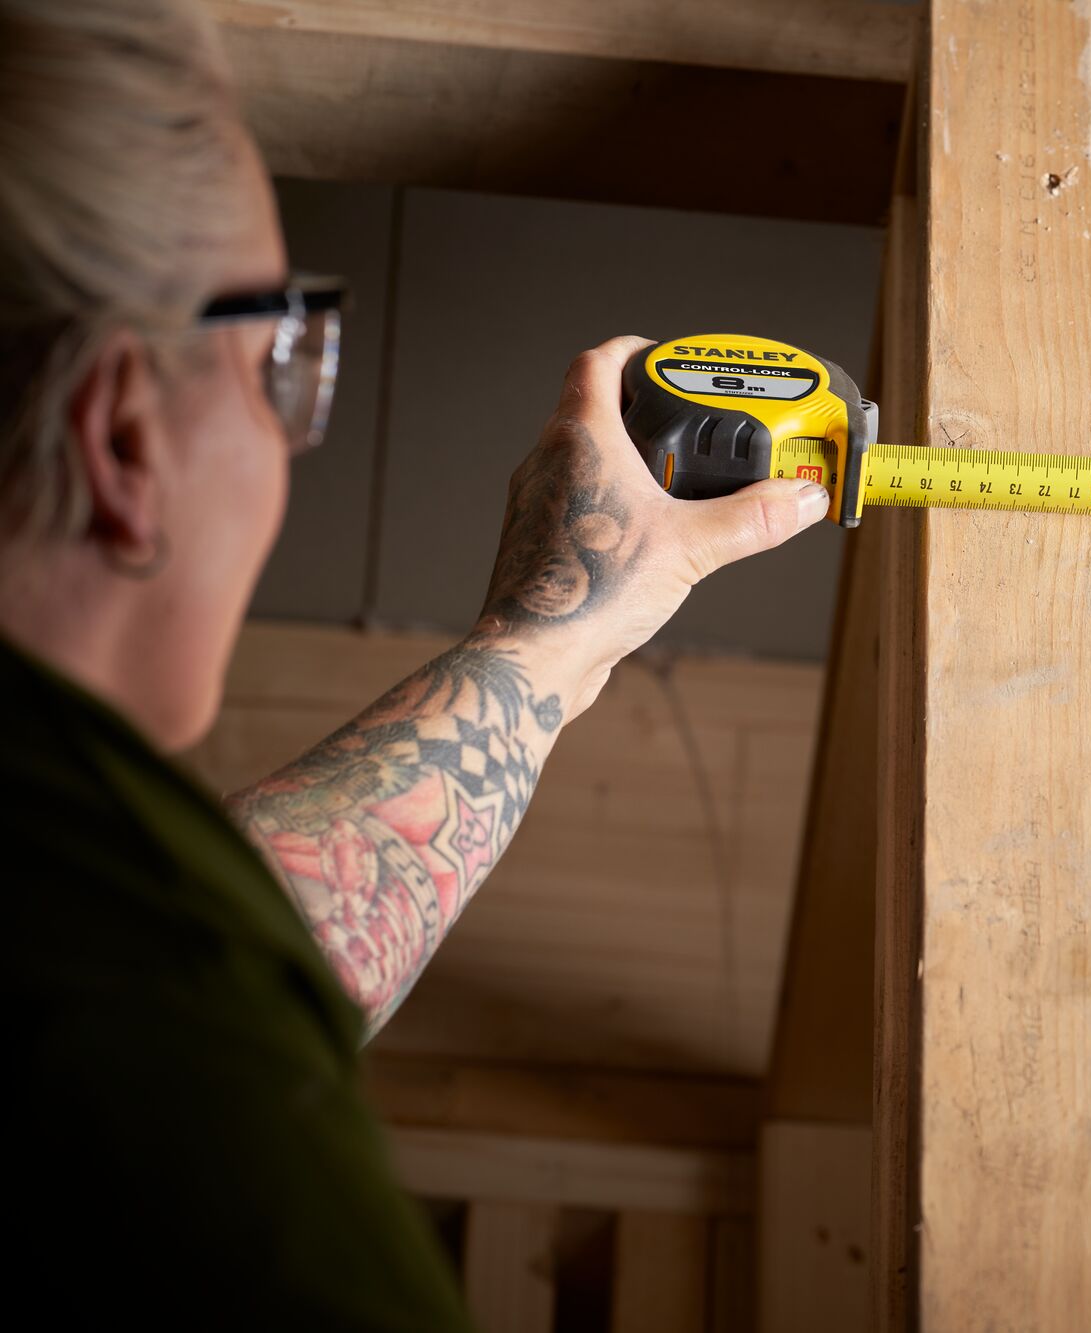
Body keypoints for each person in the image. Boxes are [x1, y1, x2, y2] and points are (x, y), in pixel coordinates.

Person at [0, 0, 828, 1324]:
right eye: (276, 357)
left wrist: (548, 638)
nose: (294, 431)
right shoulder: (184, 1106)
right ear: (123, 441)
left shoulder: (86, 917)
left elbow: (236, 937)